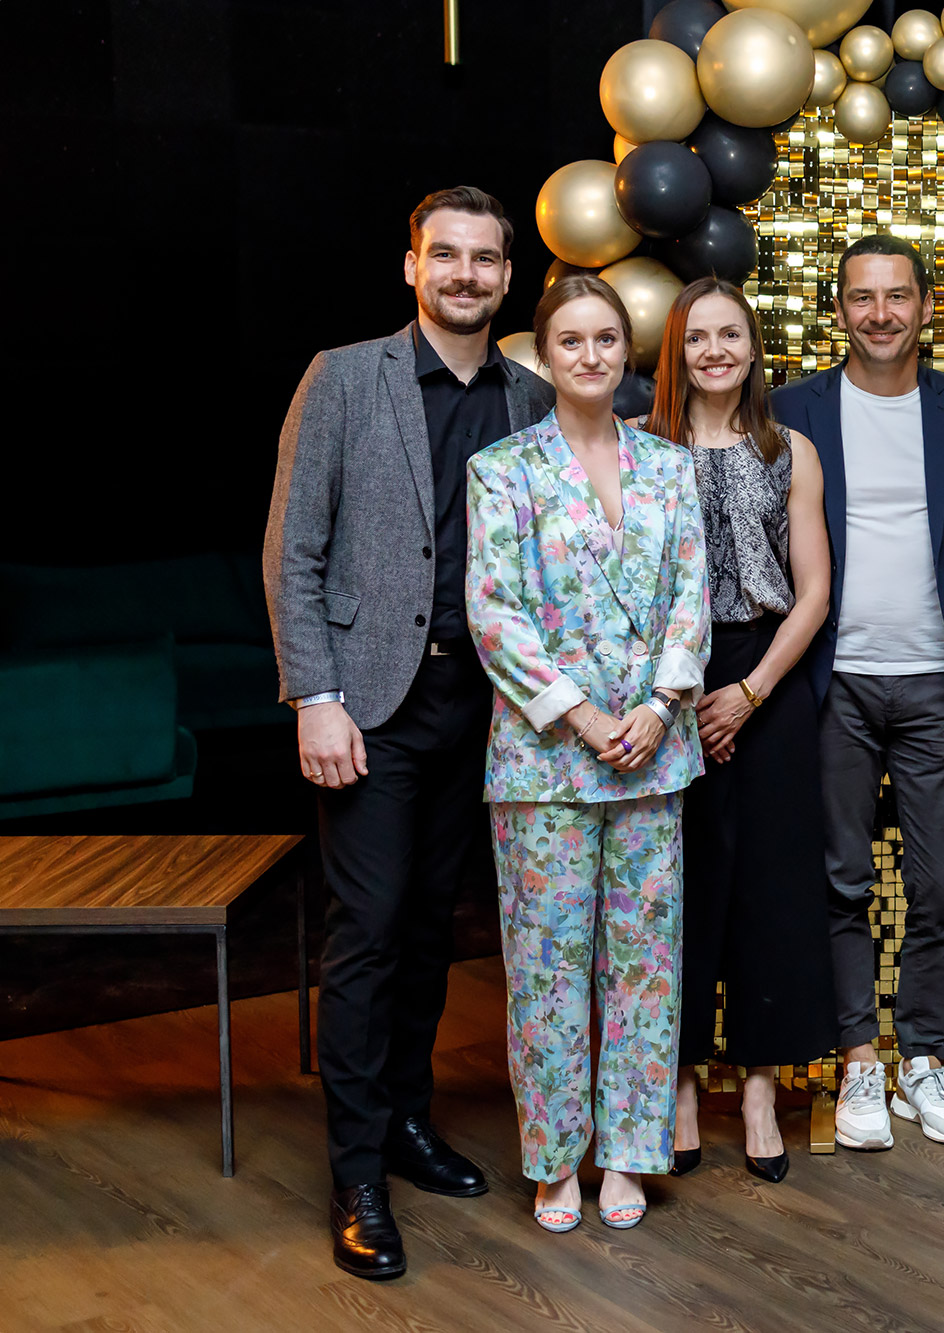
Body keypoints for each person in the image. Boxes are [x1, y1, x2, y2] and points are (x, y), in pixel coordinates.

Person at [264, 186, 555, 1280]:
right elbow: (293, 548)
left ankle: (405, 1120)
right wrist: (316, 694)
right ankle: (355, 1175)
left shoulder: (533, 398)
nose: (465, 274)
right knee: (371, 931)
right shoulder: (343, 377)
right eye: (446, 255)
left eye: (484, 259)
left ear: (507, 277)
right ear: (412, 267)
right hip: (370, 707)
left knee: (435, 929)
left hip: (485, 712)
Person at [465, 274, 710, 1235]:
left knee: (645, 967)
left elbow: (690, 595)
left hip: (652, 751)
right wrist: (579, 716)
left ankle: (631, 1154)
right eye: (571, 340)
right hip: (545, 761)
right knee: (548, 968)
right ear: (544, 354)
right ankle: (556, 1158)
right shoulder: (502, 469)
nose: (591, 355)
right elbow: (494, 612)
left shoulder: (670, 468)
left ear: (626, 349)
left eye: (606, 338)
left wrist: (657, 704)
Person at [770, 235, 944, 1153]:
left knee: (941, 885)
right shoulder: (792, 410)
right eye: (863, 298)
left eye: (897, 296)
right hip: (831, 682)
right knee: (840, 879)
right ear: (839, 310)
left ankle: (923, 1056)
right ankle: (858, 1060)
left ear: (925, 307)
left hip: (938, 686)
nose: (880, 314)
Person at [645, 277, 836, 1184]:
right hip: (667, 682)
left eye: (730, 334)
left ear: (753, 347)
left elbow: (815, 592)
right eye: (697, 337)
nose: (714, 351)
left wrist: (749, 694)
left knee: (772, 888)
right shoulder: (640, 450)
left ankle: (760, 1088)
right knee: (681, 888)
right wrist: (685, 696)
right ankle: (681, 1083)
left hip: (769, 674)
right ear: (675, 351)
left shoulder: (789, 449)